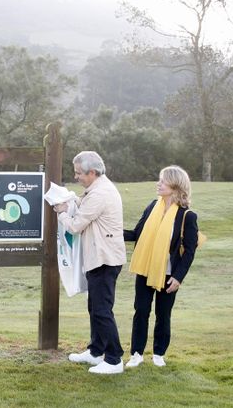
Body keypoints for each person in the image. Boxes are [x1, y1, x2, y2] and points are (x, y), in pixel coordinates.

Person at [54, 151, 127, 375]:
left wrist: (61, 213)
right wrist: (72, 200)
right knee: (94, 307)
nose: (76, 177)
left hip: (105, 259)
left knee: (102, 310)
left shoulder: (100, 193)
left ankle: (114, 360)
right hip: (99, 258)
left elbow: (76, 225)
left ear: (92, 172)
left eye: (79, 173)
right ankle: (96, 352)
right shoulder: (96, 189)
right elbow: (83, 203)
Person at [123, 166, 199, 369]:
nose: (159, 184)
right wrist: (111, 232)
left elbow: (190, 251)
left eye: (163, 181)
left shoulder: (187, 216)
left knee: (163, 315)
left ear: (175, 186)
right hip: (145, 268)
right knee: (141, 311)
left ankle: (158, 354)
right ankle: (136, 354)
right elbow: (137, 233)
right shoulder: (152, 207)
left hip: (168, 274)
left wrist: (178, 277)